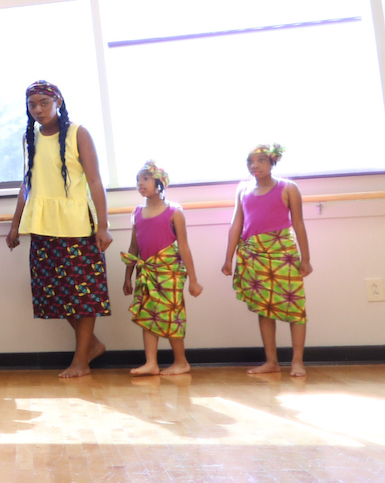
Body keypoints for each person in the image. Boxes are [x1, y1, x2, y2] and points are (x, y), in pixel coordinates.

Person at [5, 81, 113, 379]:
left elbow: (94, 181)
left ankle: (81, 360)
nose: (38, 109)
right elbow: (27, 184)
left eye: (44, 103)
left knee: (84, 295)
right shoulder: (29, 138)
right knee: (56, 294)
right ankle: (92, 346)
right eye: (32, 105)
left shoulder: (79, 133)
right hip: (42, 227)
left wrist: (103, 226)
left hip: (78, 226)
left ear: (58, 102)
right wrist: (15, 224)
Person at [222, 142, 310, 377]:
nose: (255, 165)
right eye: (250, 161)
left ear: (273, 162)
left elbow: (298, 223)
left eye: (261, 160)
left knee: (295, 306)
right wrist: (228, 258)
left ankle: (297, 361)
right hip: (254, 255)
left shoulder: (288, 188)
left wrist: (306, 259)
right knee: (265, 309)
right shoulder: (243, 190)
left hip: (283, 253)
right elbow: (236, 224)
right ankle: (271, 362)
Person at [123, 160, 202, 377]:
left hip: (169, 273)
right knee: (148, 316)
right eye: (138, 180)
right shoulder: (137, 212)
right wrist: (127, 277)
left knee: (171, 314)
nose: (140, 184)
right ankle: (151, 363)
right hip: (146, 273)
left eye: (145, 179)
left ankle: (181, 361)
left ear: (159, 182)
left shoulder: (175, 212)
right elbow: (133, 247)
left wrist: (193, 280)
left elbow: (183, 247)